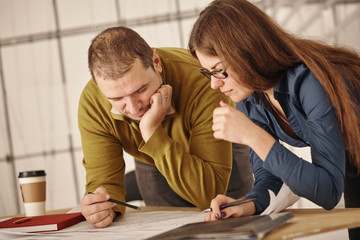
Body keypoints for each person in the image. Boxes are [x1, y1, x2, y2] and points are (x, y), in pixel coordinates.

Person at [188, 0, 360, 238]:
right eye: (208, 72)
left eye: (219, 70)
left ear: (246, 52)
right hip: (353, 163)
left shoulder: (309, 82)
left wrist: (252, 135)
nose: (214, 84)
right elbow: (268, 174)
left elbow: (328, 192)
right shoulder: (248, 96)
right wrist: (249, 203)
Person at [78, 26, 254, 228]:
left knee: (234, 226)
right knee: (168, 230)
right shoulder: (92, 102)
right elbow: (104, 183)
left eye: (141, 90)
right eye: (117, 99)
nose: (134, 108)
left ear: (156, 62)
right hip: (152, 157)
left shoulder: (204, 82)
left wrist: (152, 133)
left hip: (220, 149)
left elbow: (210, 194)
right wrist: (101, 207)